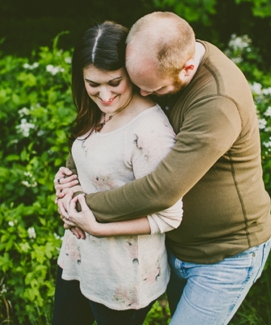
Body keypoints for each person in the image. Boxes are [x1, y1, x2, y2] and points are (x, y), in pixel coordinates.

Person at [55, 11, 271, 325]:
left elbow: (163, 190)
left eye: (152, 90)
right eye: (137, 84)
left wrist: (83, 205)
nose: (143, 96)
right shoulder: (167, 57)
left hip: (224, 252)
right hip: (177, 245)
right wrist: (71, 176)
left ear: (187, 69)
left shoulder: (217, 101)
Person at [52, 21, 183, 325]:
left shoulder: (150, 133)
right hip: (79, 256)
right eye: (92, 83)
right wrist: (66, 183)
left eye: (114, 82)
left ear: (131, 72)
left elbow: (169, 216)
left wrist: (97, 227)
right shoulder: (97, 111)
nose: (105, 94)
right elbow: (94, 168)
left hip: (122, 274)